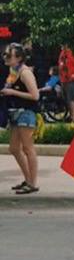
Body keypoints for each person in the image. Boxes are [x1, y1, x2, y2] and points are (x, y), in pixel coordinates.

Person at [2, 43, 40, 194]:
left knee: (27, 148)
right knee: (14, 148)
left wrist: (12, 92)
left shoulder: (24, 72)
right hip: (14, 112)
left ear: (18, 57)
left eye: (8, 55)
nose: (5, 57)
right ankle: (27, 178)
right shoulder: (13, 71)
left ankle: (32, 182)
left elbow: (35, 95)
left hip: (25, 112)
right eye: (5, 54)